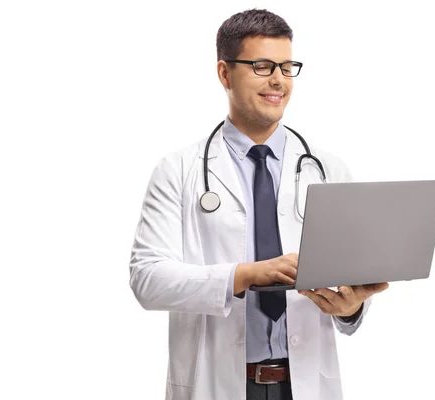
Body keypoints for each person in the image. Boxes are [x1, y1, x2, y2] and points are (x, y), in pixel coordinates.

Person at [129, 8, 389, 400]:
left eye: (287, 67)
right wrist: (246, 275)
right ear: (224, 73)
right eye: (263, 65)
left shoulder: (327, 169)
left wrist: (349, 307)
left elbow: (346, 281)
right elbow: (147, 280)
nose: (278, 81)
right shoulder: (176, 170)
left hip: (303, 384)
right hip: (216, 383)